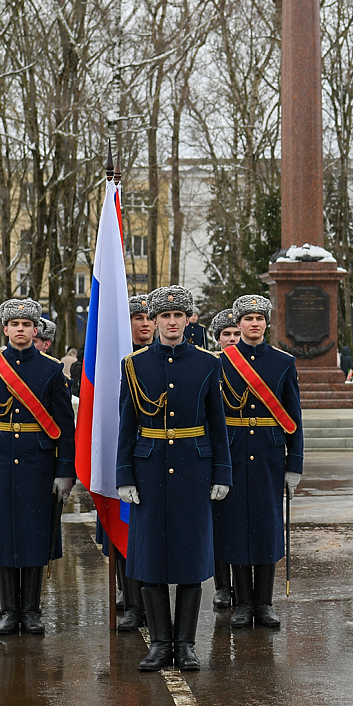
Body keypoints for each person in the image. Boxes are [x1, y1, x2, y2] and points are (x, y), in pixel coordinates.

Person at [117, 285, 231, 672]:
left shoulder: (207, 364)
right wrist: (124, 475)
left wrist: (222, 473)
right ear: (153, 321)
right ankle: (160, 644)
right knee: (149, 559)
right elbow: (126, 424)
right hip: (148, 471)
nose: (170, 322)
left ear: (187, 319)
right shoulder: (133, 365)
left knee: (188, 559)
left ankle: (185, 644)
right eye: (163, 316)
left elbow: (218, 424)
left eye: (177, 316)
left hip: (192, 470)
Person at [0, 298, 75, 637]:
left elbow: (64, 425)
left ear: (36, 329)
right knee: (5, 537)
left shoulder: (51, 369)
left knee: (35, 536)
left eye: (28, 324)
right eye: (15, 325)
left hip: (38, 461)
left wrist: (65, 471)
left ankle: (32, 610)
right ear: (6, 329)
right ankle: (10, 611)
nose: (22, 330)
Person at [214, 293, 302, 634]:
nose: (254, 323)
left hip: (268, 453)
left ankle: (264, 603)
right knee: (235, 527)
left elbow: (294, 416)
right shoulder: (221, 363)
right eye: (247, 318)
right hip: (234, 453)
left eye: (259, 318)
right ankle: (243, 603)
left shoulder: (283, 362)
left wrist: (294, 463)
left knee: (266, 528)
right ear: (238, 324)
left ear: (267, 323)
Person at [110, 294, 157, 633]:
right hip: (125, 454)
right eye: (135, 317)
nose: (143, 323)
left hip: (157, 456)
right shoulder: (112, 359)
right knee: (125, 533)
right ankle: (132, 602)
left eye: (147, 317)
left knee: (152, 535)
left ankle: (153, 605)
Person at [207, 305, 241, 613]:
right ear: (217, 339)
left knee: (242, 522)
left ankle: (244, 588)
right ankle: (222, 586)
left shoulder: (252, 365)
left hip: (244, 449)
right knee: (219, 522)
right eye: (226, 334)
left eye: (236, 334)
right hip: (217, 450)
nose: (231, 339)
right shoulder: (209, 365)